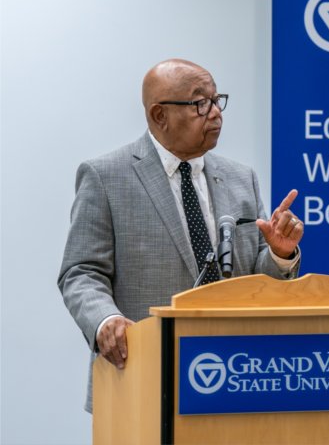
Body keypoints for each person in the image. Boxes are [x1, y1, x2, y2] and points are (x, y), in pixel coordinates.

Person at [58, 59, 303, 412]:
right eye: (201, 103)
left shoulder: (241, 178)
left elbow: (254, 282)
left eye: (218, 100)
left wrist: (279, 255)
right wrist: (104, 320)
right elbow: (80, 272)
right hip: (141, 379)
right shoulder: (106, 176)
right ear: (160, 116)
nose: (216, 113)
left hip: (238, 376)